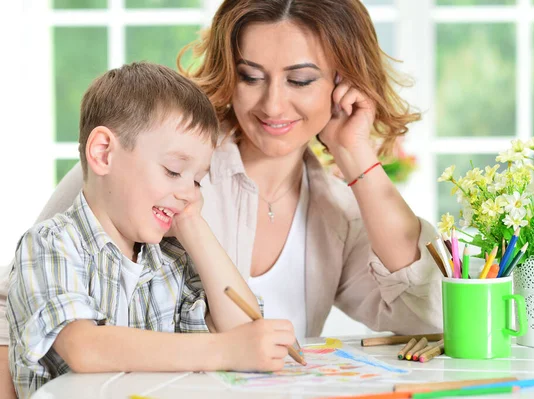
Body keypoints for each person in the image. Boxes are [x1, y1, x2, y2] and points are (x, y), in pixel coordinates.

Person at [1, 0, 444, 394]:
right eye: (251, 76)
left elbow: (425, 314)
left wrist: (356, 154)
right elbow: (13, 312)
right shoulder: (145, 166)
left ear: (342, 83)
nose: (272, 105)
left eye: (301, 80)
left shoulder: (337, 212)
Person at [6, 62, 296, 398]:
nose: (189, 192)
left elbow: (244, 331)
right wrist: (224, 350)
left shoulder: (169, 260)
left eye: (198, 180)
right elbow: (84, 347)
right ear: (103, 153)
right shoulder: (50, 245)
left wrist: (194, 227)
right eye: (174, 171)